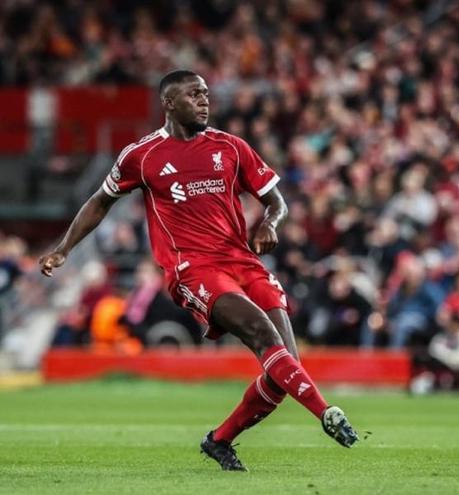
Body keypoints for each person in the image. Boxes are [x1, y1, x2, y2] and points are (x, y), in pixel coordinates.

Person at [39, 69, 358, 471]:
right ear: (169, 103)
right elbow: (100, 201)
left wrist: (270, 223)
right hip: (192, 268)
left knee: (285, 371)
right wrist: (64, 249)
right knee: (263, 335)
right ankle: (327, 413)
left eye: (206, 93)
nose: (204, 100)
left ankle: (219, 441)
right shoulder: (142, 155)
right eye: (194, 94)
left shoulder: (231, 147)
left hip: (243, 261)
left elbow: (276, 201)